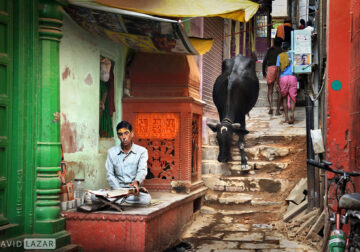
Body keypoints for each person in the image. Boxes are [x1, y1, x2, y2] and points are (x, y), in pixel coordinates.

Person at [88, 121, 151, 207]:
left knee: (146, 199)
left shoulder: (142, 151)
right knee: (93, 197)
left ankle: (117, 200)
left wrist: (137, 182)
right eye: (120, 134)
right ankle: (121, 199)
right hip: (116, 189)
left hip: (132, 191)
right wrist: (118, 191)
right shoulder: (111, 152)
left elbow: (142, 171)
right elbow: (109, 174)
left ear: (132, 134)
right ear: (118, 136)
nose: (123, 137)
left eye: (126, 133)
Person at [276, 42, 297, 124]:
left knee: (284, 98)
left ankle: (286, 117)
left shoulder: (279, 56)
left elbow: (278, 70)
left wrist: (277, 82)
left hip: (283, 78)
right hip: (292, 77)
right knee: (292, 98)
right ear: (289, 48)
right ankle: (292, 113)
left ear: (282, 48)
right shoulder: (293, 55)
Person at [262, 37, 283, 115]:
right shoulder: (281, 51)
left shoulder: (269, 50)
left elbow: (264, 61)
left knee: (270, 90)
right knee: (279, 90)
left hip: (270, 69)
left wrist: (264, 72)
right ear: (280, 43)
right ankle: (277, 110)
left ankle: (271, 107)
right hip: (278, 70)